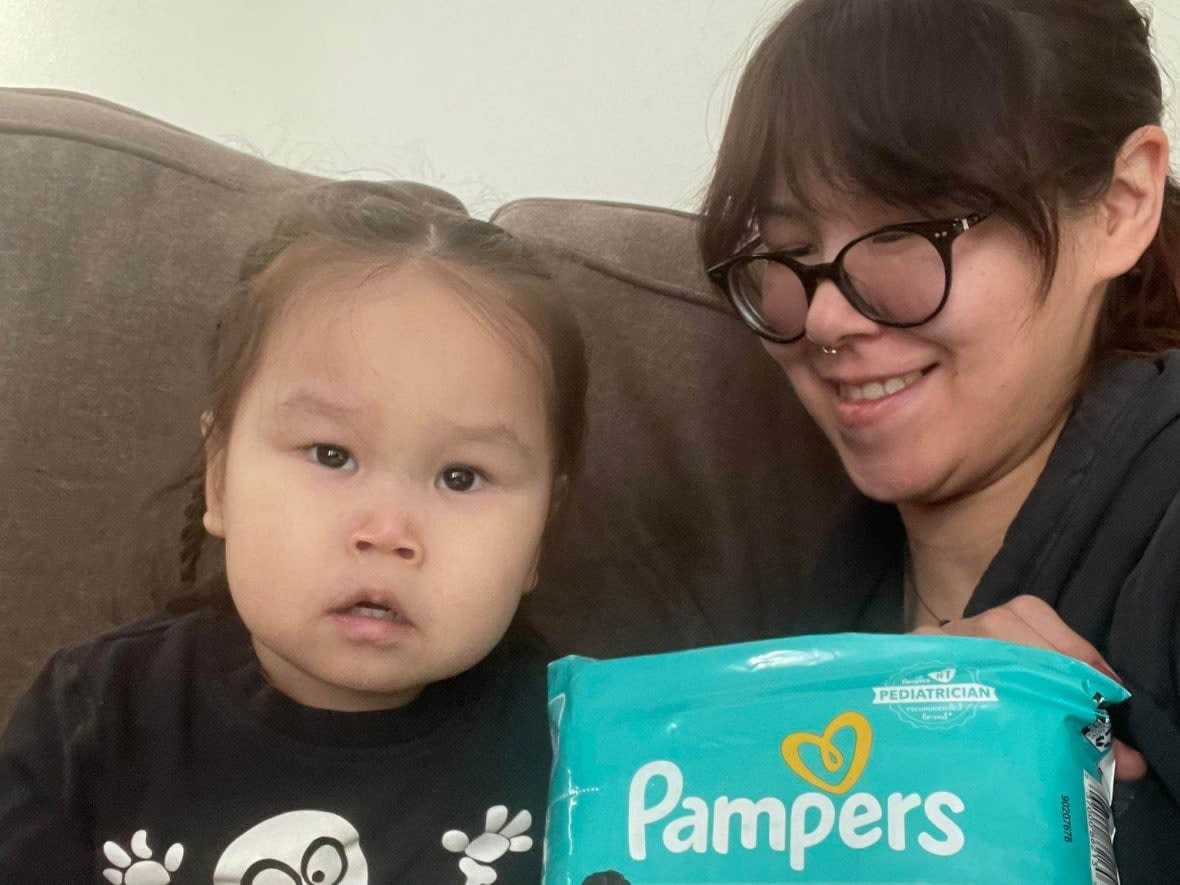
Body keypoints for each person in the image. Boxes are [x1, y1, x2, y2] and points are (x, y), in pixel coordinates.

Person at [700, 0, 1180, 881]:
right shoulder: (800, 615)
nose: (827, 318)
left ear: (1120, 205)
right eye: (789, 248)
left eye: (904, 235)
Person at [0, 181, 587, 883]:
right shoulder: (95, 716)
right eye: (331, 455)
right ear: (219, 478)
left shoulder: (581, 754)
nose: (388, 531)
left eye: (461, 477)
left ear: (540, 534)